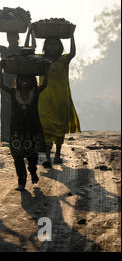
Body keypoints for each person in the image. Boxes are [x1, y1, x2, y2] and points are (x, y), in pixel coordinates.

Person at [0, 60, 50, 191]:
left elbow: (45, 84)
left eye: (28, 78)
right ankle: (21, 182)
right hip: (16, 129)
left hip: (32, 129)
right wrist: (0, 69)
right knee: (17, 157)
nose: (24, 80)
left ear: (33, 80)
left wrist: (46, 70)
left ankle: (32, 172)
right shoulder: (13, 92)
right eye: (22, 78)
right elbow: (1, 84)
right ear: (18, 80)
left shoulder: (36, 92)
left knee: (32, 156)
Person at [38, 33, 80, 168]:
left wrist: (72, 35)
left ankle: (57, 154)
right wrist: (30, 33)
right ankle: (47, 158)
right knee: (46, 128)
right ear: (45, 47)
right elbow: (29, 50)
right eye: (50, 44)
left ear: (60, 47)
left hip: (61, 99)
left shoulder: (64, 59)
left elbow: (73, 52)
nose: (53, 47)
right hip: (44, 99)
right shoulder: (40, 60)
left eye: (56, 44)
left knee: (59, 129)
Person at [0, 27, 36, 143]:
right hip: (6, 80)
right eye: (9, 36)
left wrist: (31, 33)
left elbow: (32, 47)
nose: (10, 38)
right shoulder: (4, 50)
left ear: (17, 37)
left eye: (13, 36)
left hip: (19, 81)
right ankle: (6, 135)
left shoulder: (22, 50)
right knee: (6, 109)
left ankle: (19, 133)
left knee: (19, 107)